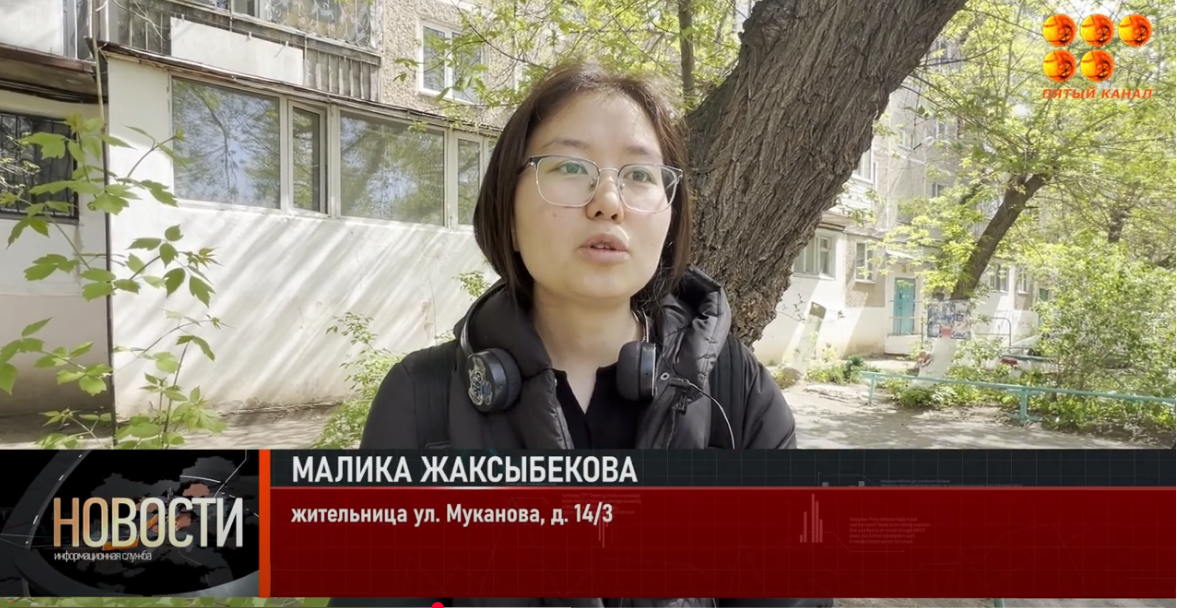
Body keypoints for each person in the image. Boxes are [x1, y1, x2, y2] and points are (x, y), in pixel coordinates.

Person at [329, 61, 831, 608]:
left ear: (668, 222)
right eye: (569, 166)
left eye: (640, 174)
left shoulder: (736, 393)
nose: (608, 202)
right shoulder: (422, 400)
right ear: (508, 213)